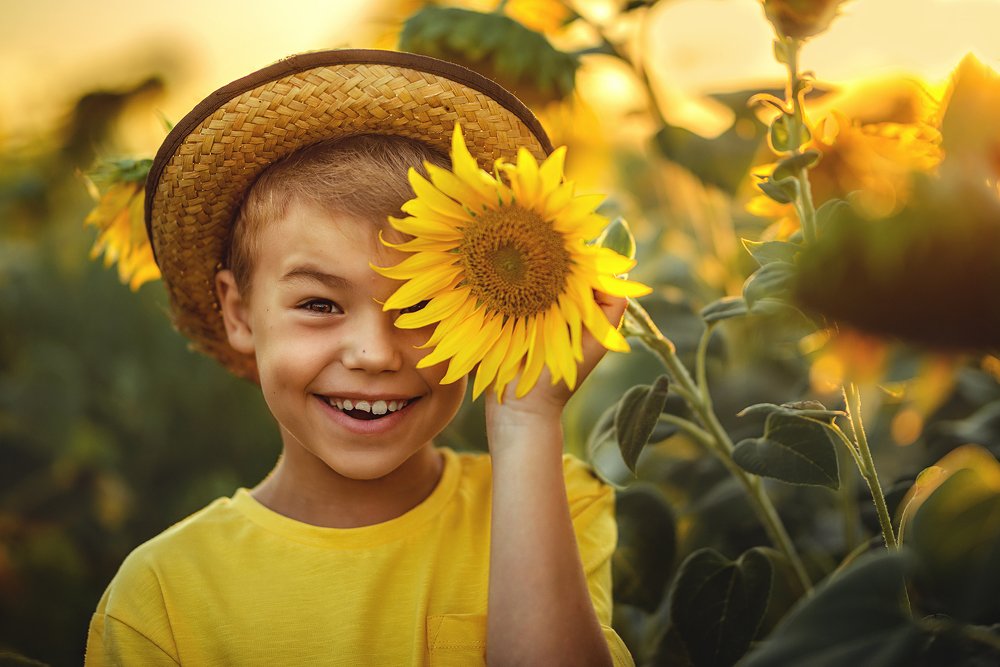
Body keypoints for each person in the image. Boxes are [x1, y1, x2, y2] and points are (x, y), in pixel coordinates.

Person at [85, 49, 634, 666]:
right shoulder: (164, 596)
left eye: (422, 306)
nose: (374, 353)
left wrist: (526, 422)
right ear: (238, 313)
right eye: (319, 305)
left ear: (487, 311)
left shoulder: (552, 501)